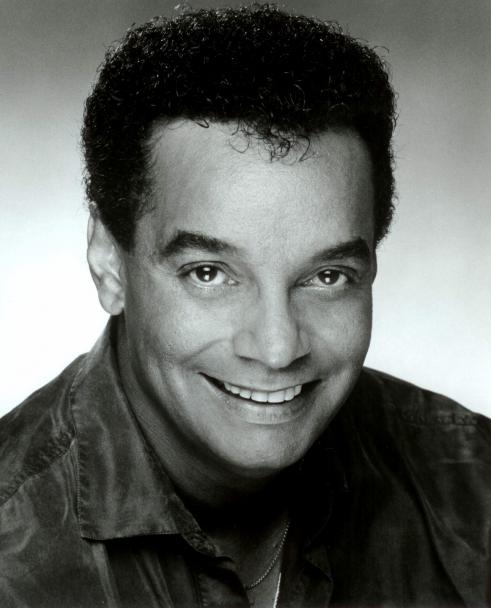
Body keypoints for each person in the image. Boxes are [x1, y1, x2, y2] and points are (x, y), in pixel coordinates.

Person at [0, 4, 489, 607]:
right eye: (209, 274)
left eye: (328, 276)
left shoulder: (476, 497)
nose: (278, 348)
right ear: (109, 262)